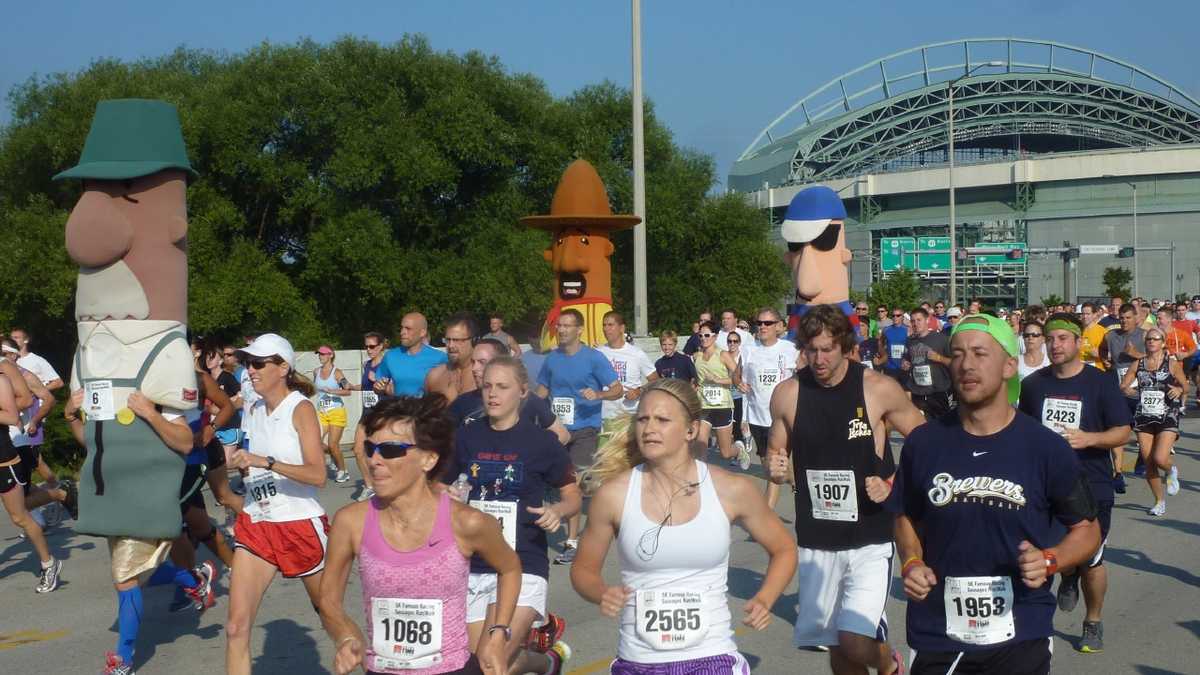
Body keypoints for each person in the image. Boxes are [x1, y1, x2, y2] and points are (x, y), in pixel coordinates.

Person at [889, 313, 1101, 674]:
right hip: (938, 633)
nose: (966, 364)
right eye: (956, 354)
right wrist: (911, 560)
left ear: (1008, 366)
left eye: (979, 353)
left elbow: (1087, 530)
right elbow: (904, 514)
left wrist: (1051, 560)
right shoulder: (923, 443)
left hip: (1019, 631)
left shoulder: (1046, 448)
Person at [571, 378, 798, 674]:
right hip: (638, 661)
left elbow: (783, 548)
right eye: (643, 419)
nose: (649, 428)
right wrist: (601, 592)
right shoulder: (613, 495)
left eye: (662, 420)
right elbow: (583, 569)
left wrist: (765, 598)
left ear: (691, 429)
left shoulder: (731, 489)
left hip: (712, 657)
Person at [767, 304, 925, 675]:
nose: (818, 359)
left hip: (870, 536)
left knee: (855, 639)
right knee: (839, 650)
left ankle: (890, 667)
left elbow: (927, 446)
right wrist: (775, 467)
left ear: (845, 346)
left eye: (827, 349)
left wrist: (892, 483)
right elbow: (776, 451)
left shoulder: (877, 389)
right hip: (816, 538)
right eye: (811, 350)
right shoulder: (788, 394)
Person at [319, 394, 519, 675]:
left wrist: (498, 634)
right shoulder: (351, 522)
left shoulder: (467, 522)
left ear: (428, 459)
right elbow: (328, 598)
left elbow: (510, 568)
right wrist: (346, 637)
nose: (374, 460)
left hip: (450, 669)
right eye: (369, 448)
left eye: (390, 450)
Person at [443, 357, 579, 673]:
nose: (492, 394)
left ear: (523, 392)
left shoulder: (542, 442)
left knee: (492, 663)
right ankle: (545, 661)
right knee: (478, 663)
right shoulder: (465, 437)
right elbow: (437, 485)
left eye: (502, 387)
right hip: (473, 564)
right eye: (487, 386)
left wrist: (556, 510)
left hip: (523, 563)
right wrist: (446, 494)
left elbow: (573, 494)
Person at [1018, 313, 1131, 655]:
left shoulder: (1100, 383)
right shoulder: (1034, 384)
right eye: (1050, 339)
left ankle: (1093, 620)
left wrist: (1088, 439)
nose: (1055, 345)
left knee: (1091, 560)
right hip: (1045, 486)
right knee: (1041, 556)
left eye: (1062, 339)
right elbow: (1023, 432)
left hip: (1091, 483)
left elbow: (1122, 431)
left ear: (1078, 341)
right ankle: (1035, 625)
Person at [224, 334, 329, 675]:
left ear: (283, 367)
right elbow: (249, 457)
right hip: (258, 522)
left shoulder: (300, 408)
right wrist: (241, 463)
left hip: (298, 521)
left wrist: (265, 462)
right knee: (236, 628)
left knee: (331, 617)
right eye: (247, 363)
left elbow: (317, 475)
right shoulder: (252, 408)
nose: (250, 370)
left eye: (258, 363)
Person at [534, 308, 622, 565]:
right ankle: (590, 515)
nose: (561, 330)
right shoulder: (551, 360)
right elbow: (542, 390)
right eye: (559, 326)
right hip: (557, 429)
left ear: (579, 330)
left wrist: (599, 395)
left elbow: (617, 389)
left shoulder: (594, 358)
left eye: (566, 326)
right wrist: (522, 405)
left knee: (574, 482)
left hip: (585, 429)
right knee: (568, 485)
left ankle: (573, 541)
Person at [0, 365, 67, 593]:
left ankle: (49, 564)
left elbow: (11, 416)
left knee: (20, 517)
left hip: (4, 461)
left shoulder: (1, 380)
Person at [734, 307, 799, 508]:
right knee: (769, 469)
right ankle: (795, 481)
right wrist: (738, 382)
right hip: (756, 417)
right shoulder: (748, 349)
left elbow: (805, 374)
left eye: (768, 323)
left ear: (778, 326)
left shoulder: (790, 349)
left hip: (781, 419)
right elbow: (736, 374)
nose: (762, 326)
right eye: (759, 323)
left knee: (775, 466)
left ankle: (766, 514)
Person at [1119, 326, 1186, 515]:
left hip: (1167, 415)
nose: (1151, 341)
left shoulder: (1171, 363)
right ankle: (1159, 501)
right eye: (1149, 339)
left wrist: (1180, 390)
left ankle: (1171, 469)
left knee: (1159, 458)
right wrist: (1129, 390)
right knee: (1148, 462)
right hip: (1144, 416)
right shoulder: (1138, 364)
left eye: (1156, 339)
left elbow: (1185, 385)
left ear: (1163, 343)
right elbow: (1124, 385)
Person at [448, 339, 568, 443]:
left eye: (482, 362)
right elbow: (441, 439)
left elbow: (563, 435)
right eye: (473, 362)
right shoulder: (461, 403)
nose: (474, 368)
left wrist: (533, 457)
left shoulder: (526, 399)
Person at [1099, 303, 1144, 495]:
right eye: (1121, 318)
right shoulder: (1111, 336)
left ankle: (1143, 458)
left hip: (1141, 390)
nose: (1124, 321)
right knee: (1118, 429)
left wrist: (1137, 355)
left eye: (1128, 317)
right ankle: (1118, 473)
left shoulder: (1144, 335)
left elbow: (1160, 357)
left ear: (1136, 318)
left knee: (1143, 432)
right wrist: (1105, 360)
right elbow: (1101, 349)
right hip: (1119, 389)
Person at [596, 311, 657, 427]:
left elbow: (655, 379)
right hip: (605, 417)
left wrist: (639, 391)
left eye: (610, 325)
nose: (606, 329)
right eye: (604, 325)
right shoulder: (598, 353)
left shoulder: (637, 353)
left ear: (621, 328)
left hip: (631, 416)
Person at [692, 320, 740, 464]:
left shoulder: (723, 355)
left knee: (725, 453)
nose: (703, 339)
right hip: (704, 406)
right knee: (700, 448)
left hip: (722, 406)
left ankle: (738, 449)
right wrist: (695, 386)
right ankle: (701, 481)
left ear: (715, 336)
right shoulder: (697, 356)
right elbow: (696, 380)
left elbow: (738, 378)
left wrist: (717, 380)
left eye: (707, 335)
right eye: (700, 336)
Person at [349, 332, 389, 501]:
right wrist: (352, 387)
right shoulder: (366, 365)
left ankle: (391, 484)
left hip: (383, 413)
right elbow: (366, 386)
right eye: (366, 346)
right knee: (358, 450)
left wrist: (378, 380)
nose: (368, 349)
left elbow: (393, 386)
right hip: (367, 413)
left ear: (380, 346)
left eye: (372, 346)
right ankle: (369, 486)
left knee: (383, 453)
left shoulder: (387, 365)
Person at [374, 312, 449, 398]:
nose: (402, 332)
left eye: (408, 329)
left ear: (422, 332)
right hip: (399, 410)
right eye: (401, 328)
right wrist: (379, 388)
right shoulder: (390, 356)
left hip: (427, 411)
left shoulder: (440, 358)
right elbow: (378, 388)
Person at [902, 306, 955, 418]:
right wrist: (905, 364)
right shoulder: (910, 341)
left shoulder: (941, 339)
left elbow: (955, 363)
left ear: (927, 320)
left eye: (919, 320)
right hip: (918, 392)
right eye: (913, 321)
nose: (915, 323)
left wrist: (940, 358)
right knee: (921, 427)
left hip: (938, 391)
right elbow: (906, 359)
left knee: (943, 427)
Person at [314, 345, 353, 484]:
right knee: (314, 442)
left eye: (323, 354)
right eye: (319, 354)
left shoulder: (337, 373)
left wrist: (332, 391)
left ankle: (343, 471)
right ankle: (333, 456)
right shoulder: (316, 372)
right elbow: (315, 391)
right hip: (321, 412)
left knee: (332, 444)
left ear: (331, 355)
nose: (320, 356)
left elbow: (348, 390)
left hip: (336, 411)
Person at [426, 313, 481, 404]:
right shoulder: (434, 376)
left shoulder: (485, 377)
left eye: (456, 340)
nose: (450, 346)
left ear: (474, 341)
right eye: (448, 340)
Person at [723, 330, 754, 470]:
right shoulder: (723, 357)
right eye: (730, 341)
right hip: (726, 396)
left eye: (735, 341)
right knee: (728, 428)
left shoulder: (742, 358)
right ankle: (739, 445)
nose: (732, 344)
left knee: (736, 427)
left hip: (740, 397)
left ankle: (739, 455)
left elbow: (746, 376)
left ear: (739, 343)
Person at [881, 309, 909, 383]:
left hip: (904, 366)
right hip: (890, 366)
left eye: (898, 315)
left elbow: (912, 347)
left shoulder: (908, 330)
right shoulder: (886, 330)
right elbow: (881, 345)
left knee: (905, 392)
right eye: (893, 315)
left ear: (903, 317)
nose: (895, 317)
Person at [1080, 303, 1110, 370]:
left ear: (1094, 315)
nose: (1085, 317)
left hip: (1097, 370)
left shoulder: (1103, 331)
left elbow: (1112, 353)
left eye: (1088, 314)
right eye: (1083, 314)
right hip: (1079, 370)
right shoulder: (1077, 330)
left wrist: (1101, 353)